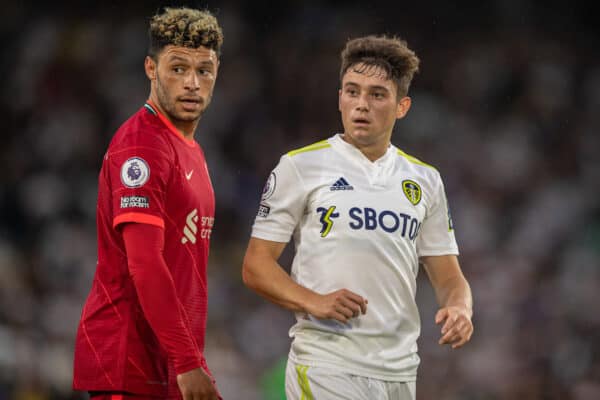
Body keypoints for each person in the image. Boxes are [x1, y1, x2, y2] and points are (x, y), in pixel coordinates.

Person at [242, 35, 473, 399]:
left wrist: (460, 307)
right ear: (339, 98)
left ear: (402, 106)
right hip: (327, 364)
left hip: (399, 372)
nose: (361, 105)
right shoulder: (300, 166)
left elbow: (449, 277)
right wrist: (313, 300)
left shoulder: (425, 180)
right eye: (352, 91)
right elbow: (256, 265)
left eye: (377, 94)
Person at [73, 7, 223, 400]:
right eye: (177, 68)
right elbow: (145, 262)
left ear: (216, 73)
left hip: (166, 361)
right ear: (151, 69)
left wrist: (191, 361)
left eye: (203, 70)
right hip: (130, 361)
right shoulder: (143, 145)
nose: (192, 83)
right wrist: (189, 362)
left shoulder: (189, 149)